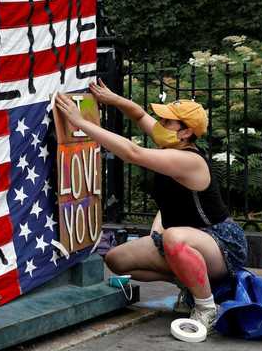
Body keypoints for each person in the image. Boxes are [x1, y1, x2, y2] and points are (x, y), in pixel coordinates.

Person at [54, 79, 248, 331]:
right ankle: (189, 283)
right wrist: (113, 98)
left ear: (186, 132)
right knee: (116, 260)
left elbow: (133, 153)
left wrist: (81, 123)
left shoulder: (189, 160)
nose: (159, 125)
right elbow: (139, 114)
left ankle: (206, 307)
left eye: (167, 122)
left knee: (173, 238)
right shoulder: (169, 141)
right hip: (182, 240)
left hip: (219, 243)